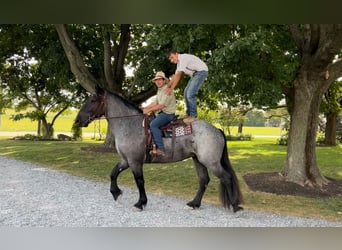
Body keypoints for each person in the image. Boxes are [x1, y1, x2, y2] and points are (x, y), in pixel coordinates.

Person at [166, 50, 208, 124]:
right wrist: (167, 86)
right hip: (195, 74)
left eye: (172, 57)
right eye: (170, 60)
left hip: (201, 72)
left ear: (176, 54)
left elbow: (178, 75)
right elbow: (175, 76)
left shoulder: (183, 58)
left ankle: (193, 116)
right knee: (186, 93)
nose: (172, 60)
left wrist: (172, 88)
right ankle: (189, 114)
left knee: (190, 94)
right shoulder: (179, 64)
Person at [142, 71, 176, 156]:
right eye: (156, 80)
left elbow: (161, 106)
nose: (158, 81)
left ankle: (161, 149)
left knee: (153, 125)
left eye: (160, 79)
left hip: (168, 114)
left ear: (164, 80)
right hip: (163, 113)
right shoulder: (160, 90)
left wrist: (148, 110)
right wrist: (143, 109)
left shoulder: (167, 90)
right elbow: (154, 103)